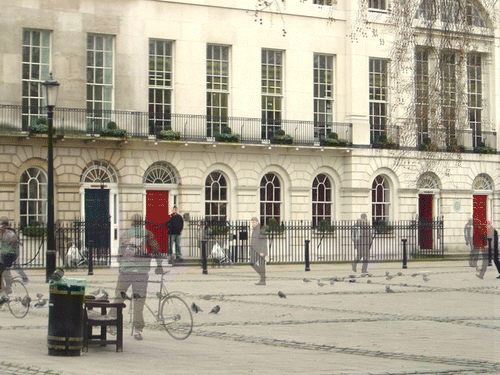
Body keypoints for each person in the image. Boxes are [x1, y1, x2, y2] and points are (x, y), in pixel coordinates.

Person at [110, 215, 163, 340]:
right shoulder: (147, 234)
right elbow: (156, 250)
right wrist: (159, 266)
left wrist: (122, 267)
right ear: (142, 223)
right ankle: (138, 330)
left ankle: (111, 325)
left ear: (132, 223)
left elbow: (119, 256)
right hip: (141, 272)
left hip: (125, 272)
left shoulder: (124, 235)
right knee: (139, 301)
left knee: (119, 297)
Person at [0, 217, 28, 304]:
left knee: (3, 271)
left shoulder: (8, 233)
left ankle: (4, 294)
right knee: (5, 271)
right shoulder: (9, 232)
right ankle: (7, 291)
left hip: (6, 255)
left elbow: (14, 240)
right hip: (9, 255)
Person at [249, 217, 267, 285]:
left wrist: (262, 251)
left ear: (257, 222)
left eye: (253, 222)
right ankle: (262, 276)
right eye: (252, 222)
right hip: (255, 250)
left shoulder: (261, 229)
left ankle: (263, 280)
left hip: (260, 251)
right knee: (252, 263)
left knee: (262, 265)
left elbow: (264, 241)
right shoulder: (254, 229)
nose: (252, 224)